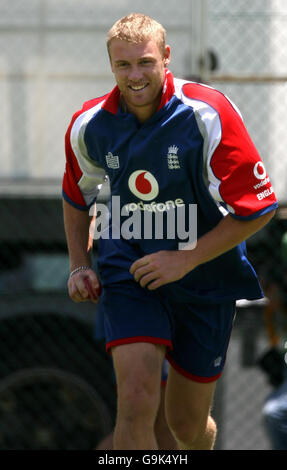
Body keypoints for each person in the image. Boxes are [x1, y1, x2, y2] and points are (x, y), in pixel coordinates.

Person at [62, 13, 278, 450]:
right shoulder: (89, 125)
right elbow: (75, 194)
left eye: (144, 62)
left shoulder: (207, 112)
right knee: (137, 401)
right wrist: (79, 265)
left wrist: (184, 259)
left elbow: (259, 209)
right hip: (130, 271)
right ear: (111, 67)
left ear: (166, 57)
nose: (135, 76)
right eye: (123, 66)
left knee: (187, 426)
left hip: (204, 277)